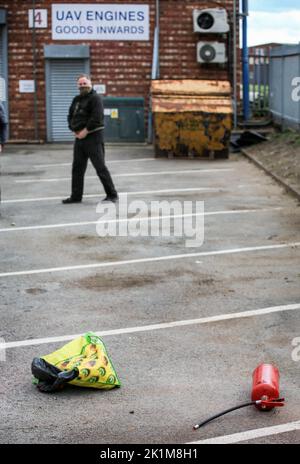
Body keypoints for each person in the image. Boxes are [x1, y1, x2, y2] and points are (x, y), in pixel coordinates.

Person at [62, 75, 118, 204]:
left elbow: (96, 118)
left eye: (84, 83)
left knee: (100, 167)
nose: (82, 86)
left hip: (93, 137)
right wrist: (74, 130)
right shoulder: (76, 99)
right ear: (77, 86)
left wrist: (85, 131)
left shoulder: (95, 99)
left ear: (90, 84)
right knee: (77, 168)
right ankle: (76, 196)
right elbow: (70, 116)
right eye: (80, 84)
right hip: (79, 138)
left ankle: (112, 194)